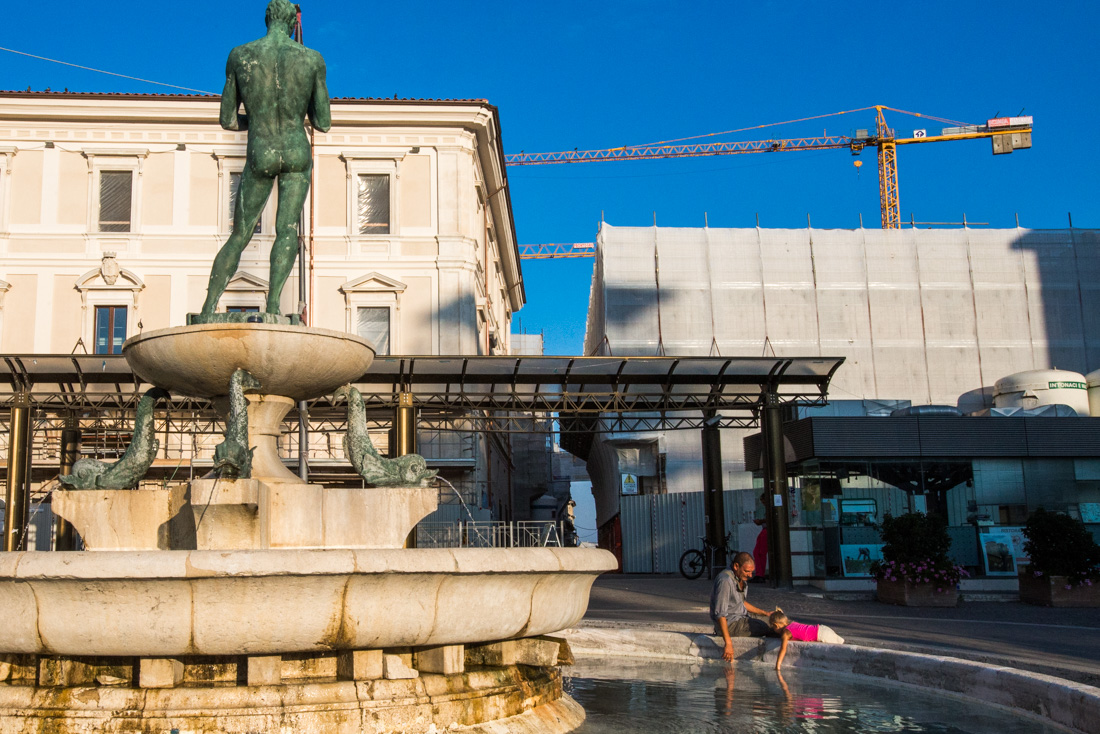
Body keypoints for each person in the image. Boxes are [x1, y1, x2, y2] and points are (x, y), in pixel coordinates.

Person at [200, 0, 332, 318]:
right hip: (296, 150)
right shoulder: (312, 59)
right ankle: (273, 307)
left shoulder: (240, 55)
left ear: (267, 19)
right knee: (286, 228)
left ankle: (207, 308)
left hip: (261, 151)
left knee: (240, 234)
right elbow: (323, 122)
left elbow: (228, 119)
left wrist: (257, 122)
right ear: (291, 23)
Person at [710, 551, 777, 662]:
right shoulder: (725, 580)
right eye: (747, 571)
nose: (750, 575)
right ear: (736, 566)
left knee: (773, 619)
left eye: (752, 572)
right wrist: (728, 643)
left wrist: (765, 613)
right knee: (770, 626)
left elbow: (741, 602)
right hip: (731, 624)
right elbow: (720, 613)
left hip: (742, 619)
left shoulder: (741, 579)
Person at [769, 608, 845, 669]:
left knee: (841, 652)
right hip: (822, 628)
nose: (773, 630)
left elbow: (783, 649)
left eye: (773, 628)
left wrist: (778, 665)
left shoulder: (785, 634)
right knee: (841, 644)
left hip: (822, 635)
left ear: (776, 625)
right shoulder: (792, 624)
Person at [752, 491, 769, 582]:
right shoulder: (769, 509)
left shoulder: (770, 509)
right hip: (764, 530)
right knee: (758, 552)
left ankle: (760, 574)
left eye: (763, 501)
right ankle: (759, 573)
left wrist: (761, 521)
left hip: (766, 531)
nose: (763, 504)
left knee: (759, 552)